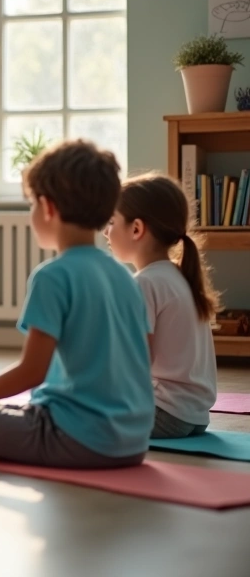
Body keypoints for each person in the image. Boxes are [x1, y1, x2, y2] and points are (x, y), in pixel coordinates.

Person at [0, 140, 154, 469]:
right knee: (4, 413)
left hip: (79, 439)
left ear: (48, 208)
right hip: (133, 442)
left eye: (32, 203)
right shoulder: (125, 275)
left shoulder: (52, 276)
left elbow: (32, 372)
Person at [106, 173, 219, 439]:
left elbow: (135, 363)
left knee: (72, 410)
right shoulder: (180, 276)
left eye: (111, 222)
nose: (105, 232)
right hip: (195, 416)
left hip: (162, 414)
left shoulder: (144, 283)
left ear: (136, 229)